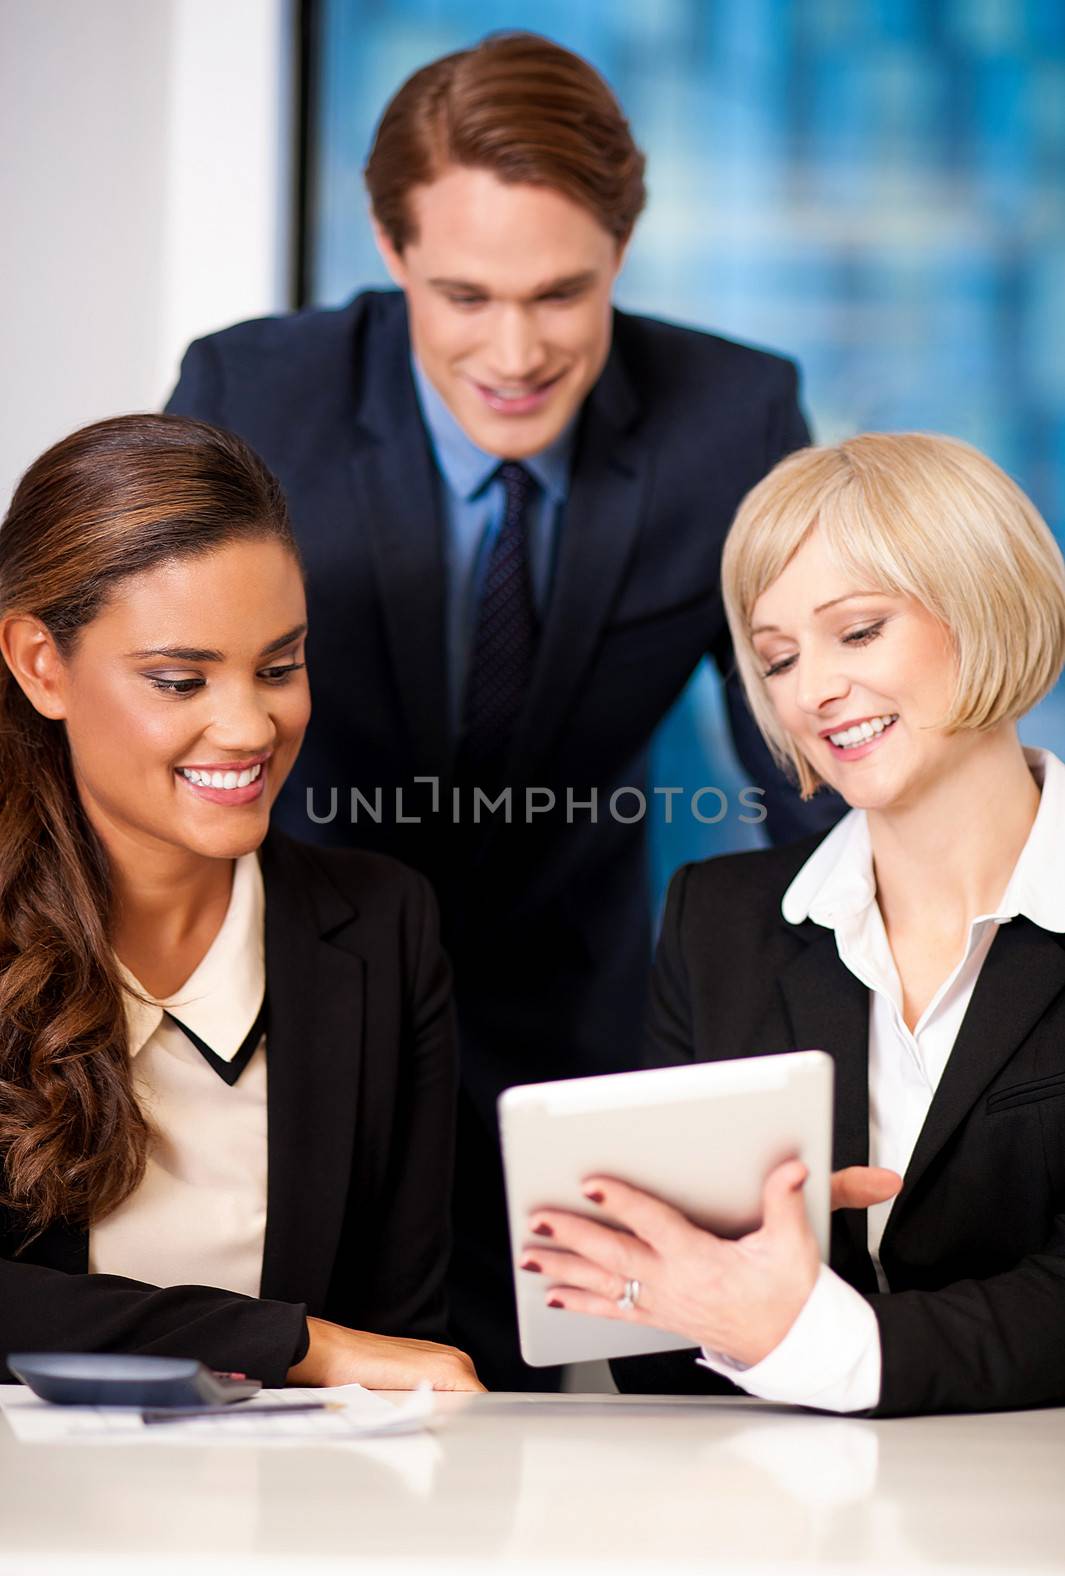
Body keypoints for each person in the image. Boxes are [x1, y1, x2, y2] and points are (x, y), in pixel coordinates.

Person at [166, 30, 843, 1389]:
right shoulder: (256, 397)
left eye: (562, 293)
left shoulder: (732, 414)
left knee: (662, 1395)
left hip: (574, 1005)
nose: (516, 351)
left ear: (622, 251)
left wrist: (852, 1040)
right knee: (341, 1407)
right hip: (303, 995)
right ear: (388, 243)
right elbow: (150, 714)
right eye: (464, 295)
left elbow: (809, 754)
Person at [519, 432, 1065, 1416]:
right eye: (776, 658)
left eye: (857, 631)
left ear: (986, 605)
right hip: (780, 1516)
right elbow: (656, 1340)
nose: (810, 693)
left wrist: (811, 1334)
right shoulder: (716, 920)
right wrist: (713, 1287)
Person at [0, 413, 481, 1393]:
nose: (249, 724)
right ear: (41, 664)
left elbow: (407, 1348)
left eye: (279, 666)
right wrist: (299, 1343)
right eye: (180, 679)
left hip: (290, 1528)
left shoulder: (383, 927)